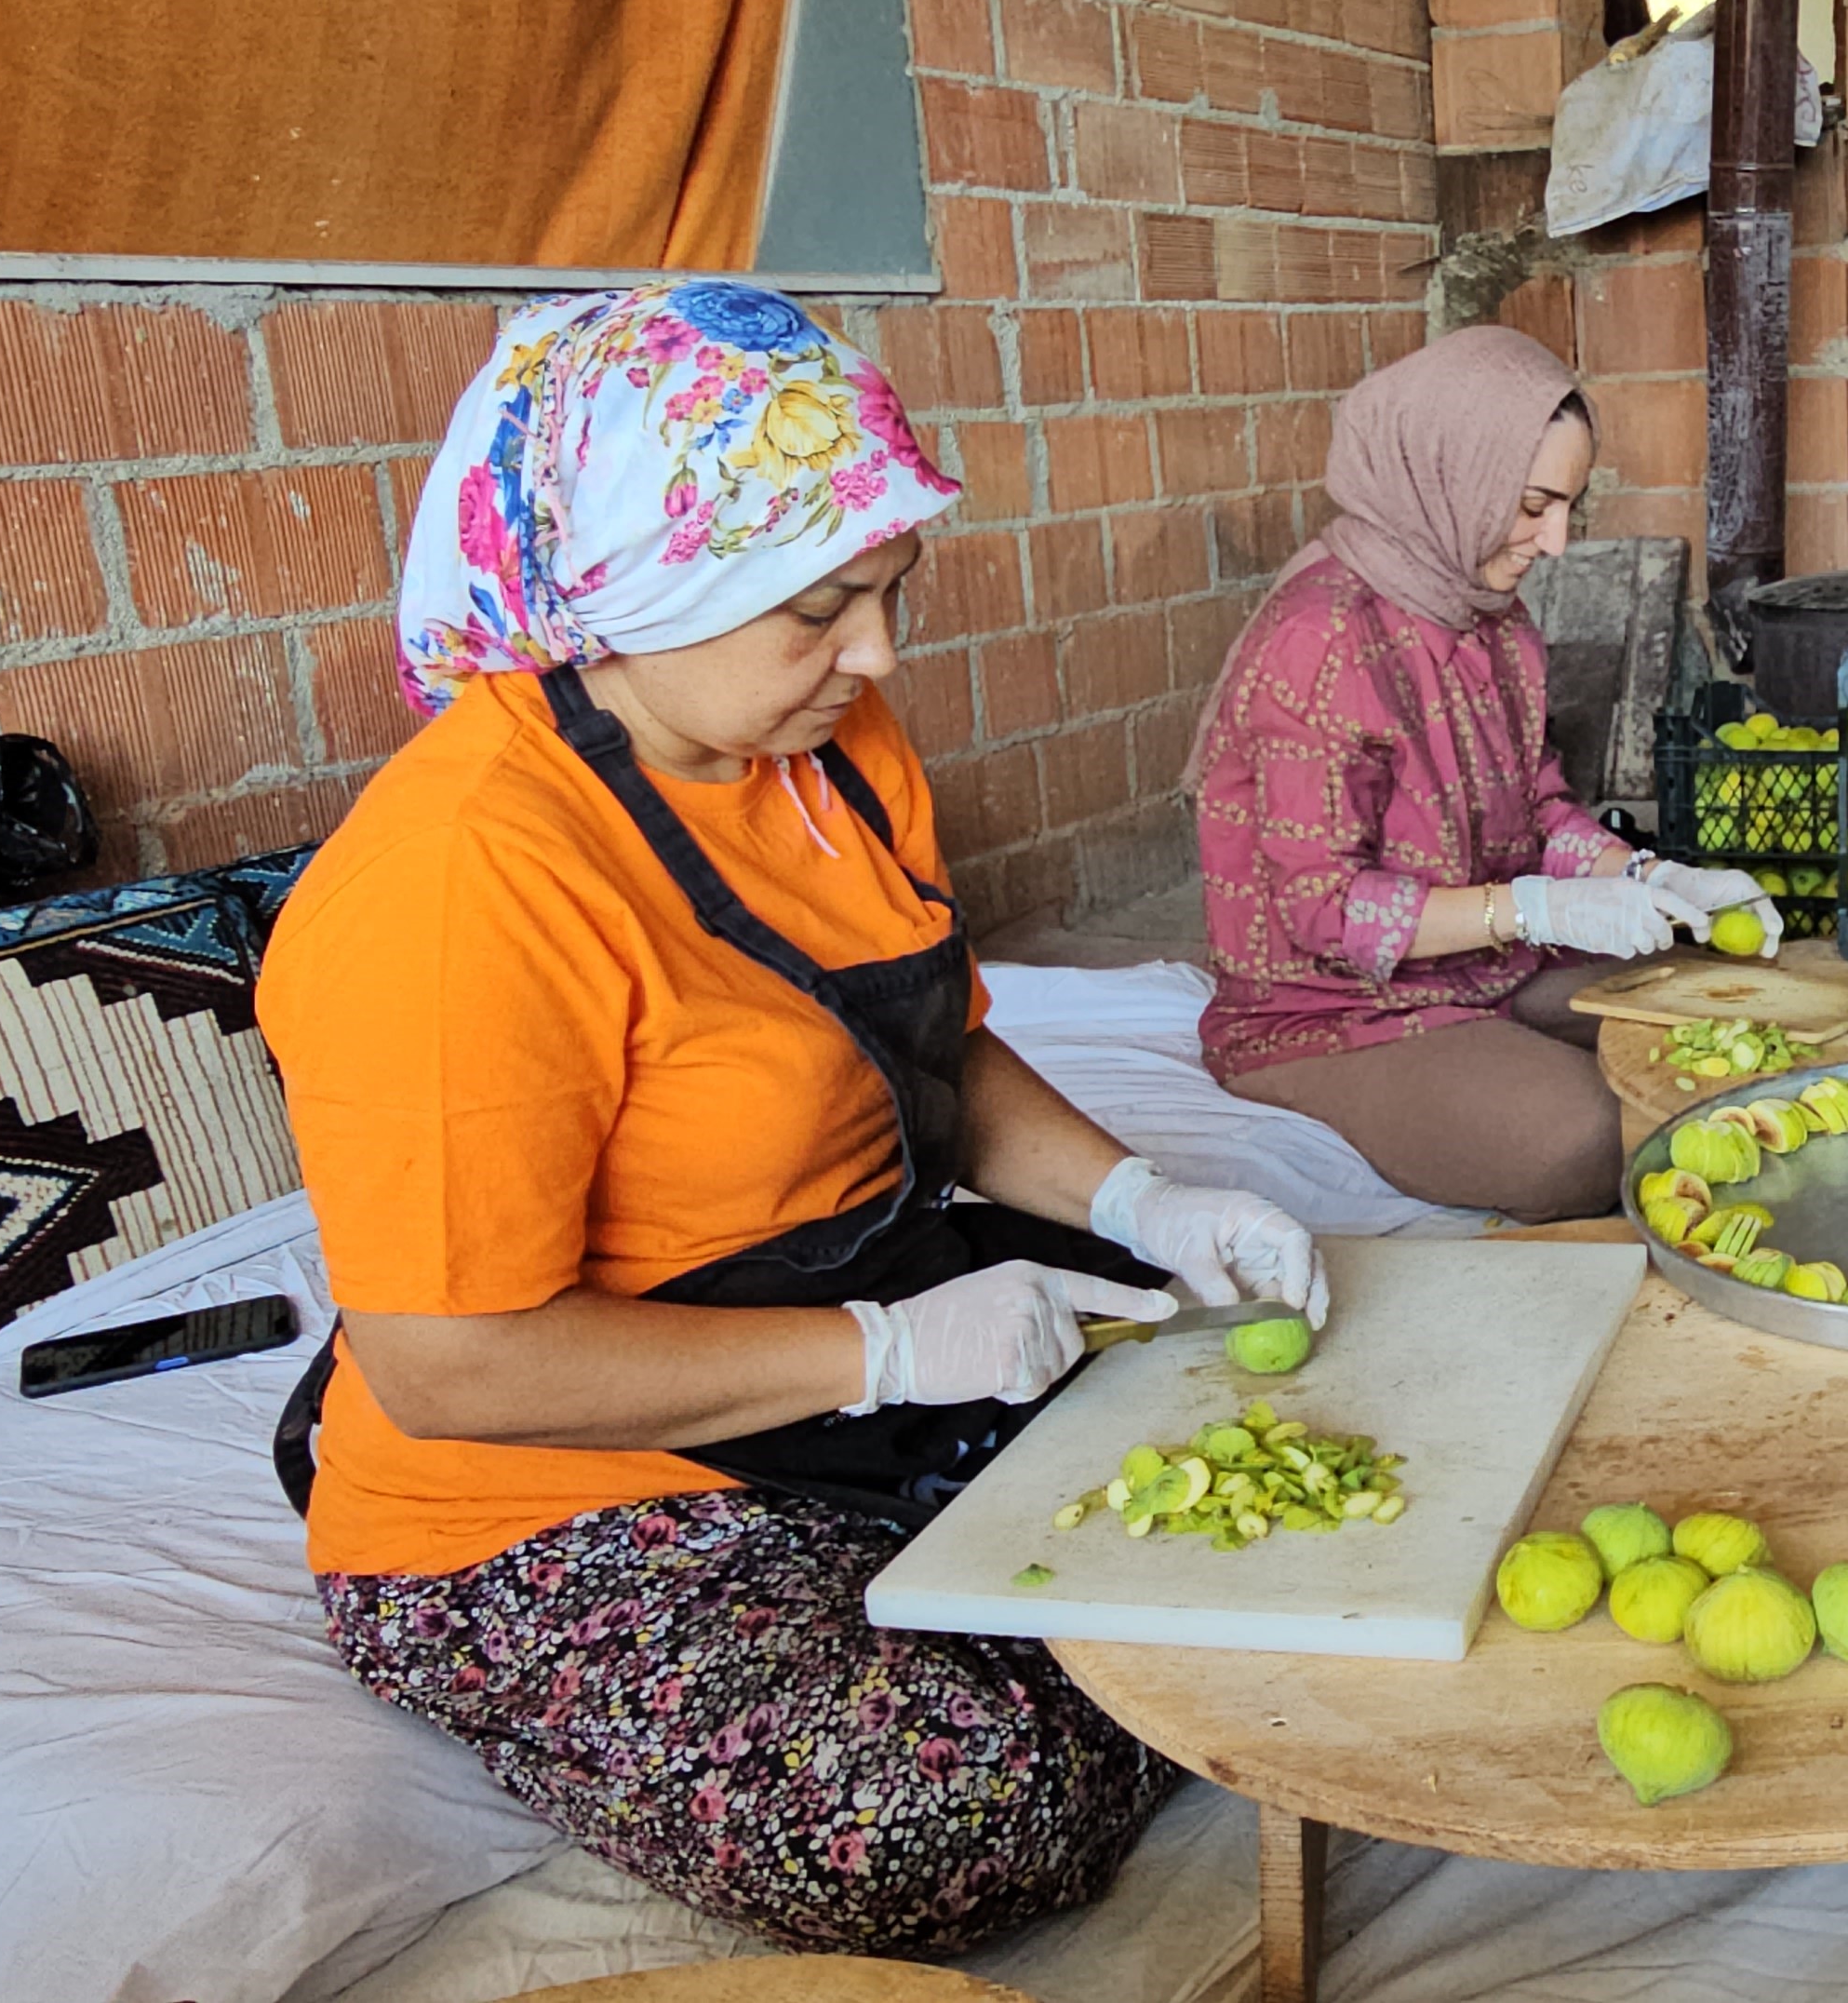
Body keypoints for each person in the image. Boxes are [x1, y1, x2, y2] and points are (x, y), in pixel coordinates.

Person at [256, 281, 1330, 1955]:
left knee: (1300, 1464)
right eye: (822, 606)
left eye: (889, 593)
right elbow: (451, 1362)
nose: (880, 656)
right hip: (551, 1479)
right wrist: (888, 1355)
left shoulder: (828, 748)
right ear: (624, 598)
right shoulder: (466, 882)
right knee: (936, 1817)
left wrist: (1138, 1199)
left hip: (856, 1315)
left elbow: (932, 1050)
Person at [1187, 325, 1776, 1222]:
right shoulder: (1323, 639)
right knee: (1586, 1138)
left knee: (1718, 1019)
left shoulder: (1488, 618)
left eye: (1569, 506)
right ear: (1449, 474)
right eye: (1536, 504)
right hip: (1329, 1011)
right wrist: (1534, 908)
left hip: (1474, 964)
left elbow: (1538, 805)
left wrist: (1650, 877)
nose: (1558, 542)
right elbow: (1322, 909)